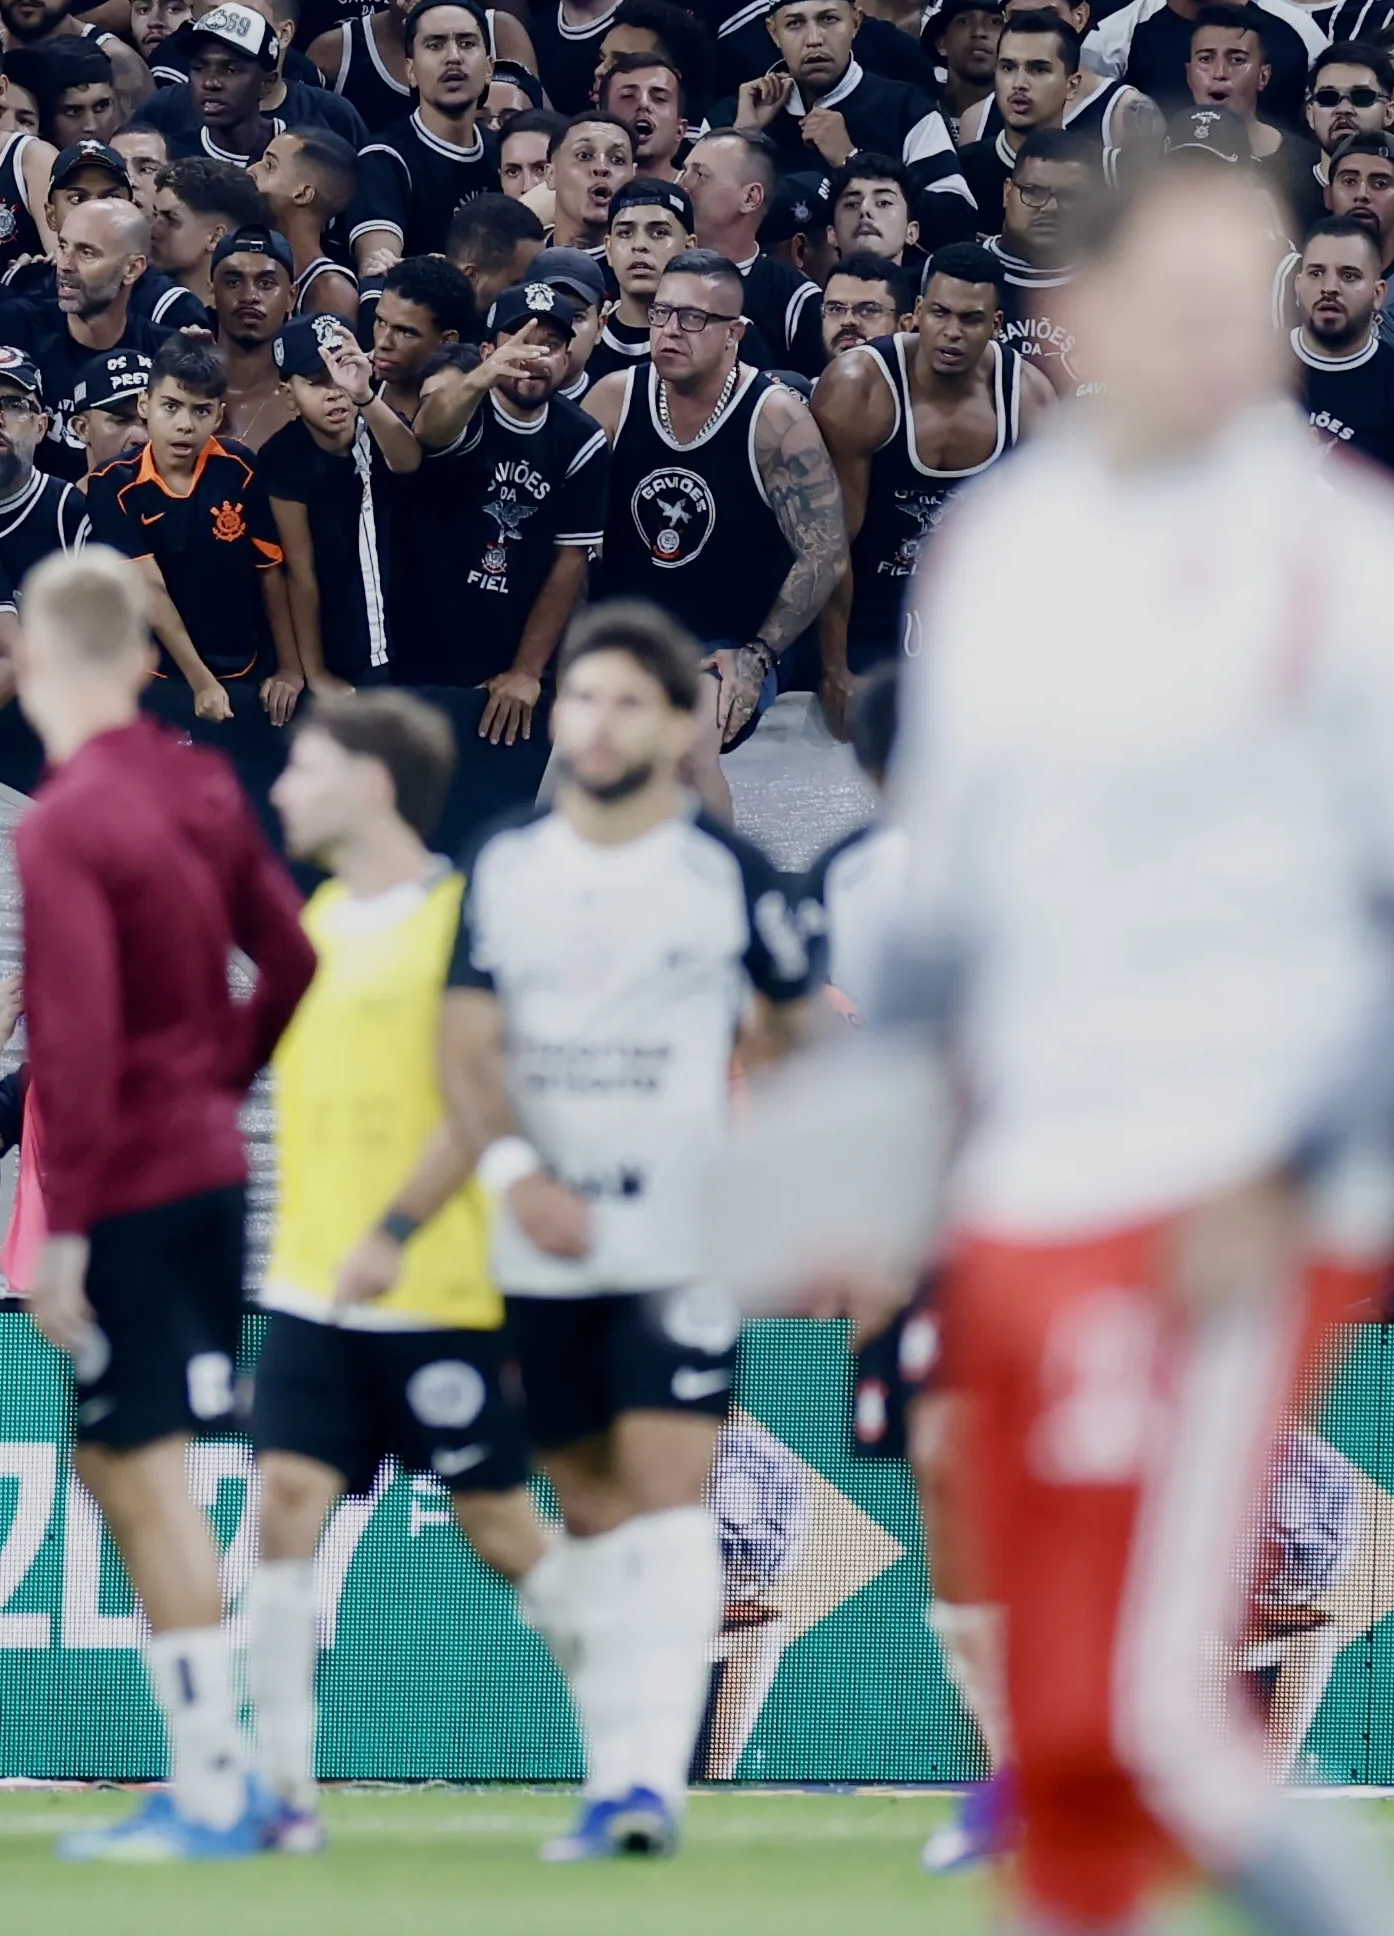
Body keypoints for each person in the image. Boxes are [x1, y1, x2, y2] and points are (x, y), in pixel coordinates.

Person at [825, 149, 1394, 1936]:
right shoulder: (1004, 551)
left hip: (1252, 1184)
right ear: (1081, 324)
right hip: (1027, 1186)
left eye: (1256, 297)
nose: (1231, 336)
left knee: (1148, 1707)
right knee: (1062, 1736)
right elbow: (941, 910)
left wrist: (1294, 1164)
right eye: (1185, 299)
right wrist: (860, 1170)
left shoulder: (1360, 560)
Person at [438, 597, 821, 1858]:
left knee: (668, 1507)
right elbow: (466, 1048)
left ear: (677, 726)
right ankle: (614, 1771)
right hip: (539, 1240)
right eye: (579, 698)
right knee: (587, 1514)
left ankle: (647, 1785)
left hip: (673, 1243)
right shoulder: (504, 863)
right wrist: (510, 1172)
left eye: (625, 702)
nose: (595, 723)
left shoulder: (727, 878)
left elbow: (790, 1035)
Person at [4, 541, 317, 1860]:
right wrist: (217, 1074)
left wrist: (59, 1220)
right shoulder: (196, 783)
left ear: (31, 657)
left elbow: (71, 1039)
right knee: (122, 1461)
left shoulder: (60, 817)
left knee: (135, 1470)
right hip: (207, 1162)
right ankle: (218, 1775)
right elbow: (294, 951)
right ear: (138, 651)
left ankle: (213, 1782)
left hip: (126, 1179)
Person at [243, 690, 549, 1850]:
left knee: (502, 1531)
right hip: (308, 1286)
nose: (279, 789)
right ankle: (280, 1798)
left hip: (434, 1285)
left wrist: (396, 1229)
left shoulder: (457, 921)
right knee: (281, 1507)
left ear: (370, 784)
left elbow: (480, 1098)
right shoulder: (309, 925)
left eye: (303, 768)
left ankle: (632, 1733)